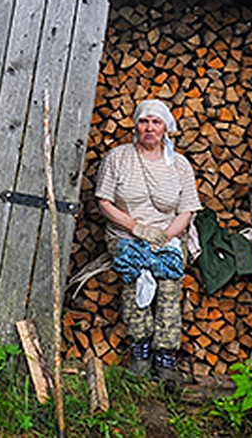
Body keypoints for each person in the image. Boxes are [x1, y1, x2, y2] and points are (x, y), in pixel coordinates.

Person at [95, 98, 202, 388]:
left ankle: (165, 358)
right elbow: (103, 202)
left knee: (168, 285)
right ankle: (140, 352)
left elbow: (187, 210)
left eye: (156, 122)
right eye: (144, 121)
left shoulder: (179, 165)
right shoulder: (118, 158)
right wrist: (136, 227)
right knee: (136, 281)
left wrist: (165, 237)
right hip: (127, 235)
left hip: (166, 236)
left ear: (166, 127)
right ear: (136, 125)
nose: (149, 127)